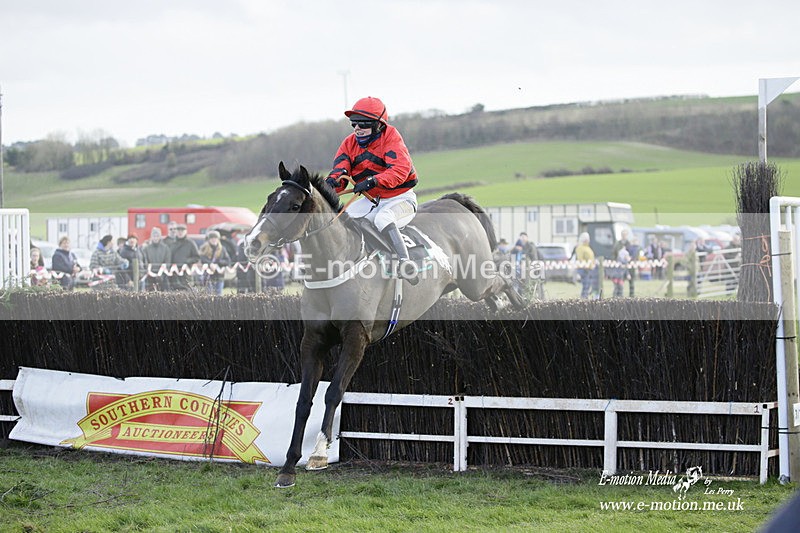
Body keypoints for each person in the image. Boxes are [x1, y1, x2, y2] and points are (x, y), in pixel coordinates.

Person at [325, 96, 420, 285]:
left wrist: (372, 181)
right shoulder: (349, 143)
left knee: (383, 219)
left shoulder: (392, 138)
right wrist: (331, 183)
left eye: (363, 124)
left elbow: (400, 170)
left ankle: (405, 263)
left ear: (378, 125)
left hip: (400, 198)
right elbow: (340, 170)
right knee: (343, 220)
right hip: (371, 200)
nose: (357, 129)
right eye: (354, 124)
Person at [168, 224, 200, 290]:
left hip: (186, 274)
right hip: (174, 274)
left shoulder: (190, 243)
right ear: (176, 232)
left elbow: (197, 257)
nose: (180, 233)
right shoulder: (172, 243)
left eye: (182, 231)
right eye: (178, 231)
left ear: (185, 232)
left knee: (188, 293)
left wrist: (187, 261)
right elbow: (168, 258)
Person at [198, 230, 230, 295]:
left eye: (215, 238)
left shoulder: (222, 249)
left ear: (218, 239)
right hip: (208, 277)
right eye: (212, 238)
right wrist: (210, 264)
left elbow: (228, 261)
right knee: (208, 294)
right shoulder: (204, 248)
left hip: (219, 276)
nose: (214, 240)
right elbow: (202, 258)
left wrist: (218, 263)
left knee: (218, 294)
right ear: (209, 239)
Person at [143, 227, 172, 291]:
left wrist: (162, 273)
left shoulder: (165, 248)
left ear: (160, 236)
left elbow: (168, 261)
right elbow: (145, 261)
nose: (155, 237)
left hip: (163, 276)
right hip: (150, 276)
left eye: (157, 236)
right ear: (151, 237)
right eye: (154, 236)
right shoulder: (147, 248)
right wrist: (149, 271)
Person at [575, 232, 596, 299]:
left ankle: (585, 297)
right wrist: (585, 265)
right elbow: (580, 258)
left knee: (588, 285)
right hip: (584, 269)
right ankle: (584, 298)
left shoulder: (588, 248)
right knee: (586, 284)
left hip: (589, 269)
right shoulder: (580, 248)